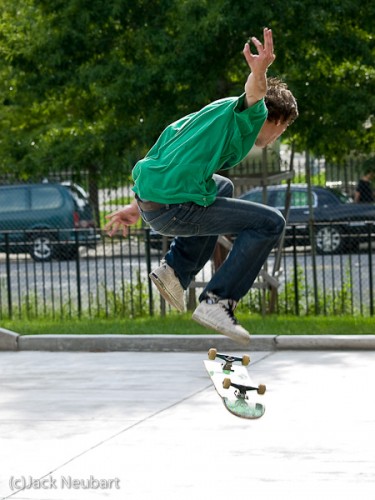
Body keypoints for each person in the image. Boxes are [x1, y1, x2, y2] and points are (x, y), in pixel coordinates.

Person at [105, 28, 298, 345]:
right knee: (270, 222)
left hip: (156, 200)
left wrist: (138, 205)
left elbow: (164, 150)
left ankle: (175, 271)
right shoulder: (252, 114)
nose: (275, 139)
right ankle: (218, 302)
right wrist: (260, 70)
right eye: (281, 131)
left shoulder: (210, 115)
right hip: (175, 208)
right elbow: (256, 92)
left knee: (221, 186)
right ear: (276, 119)